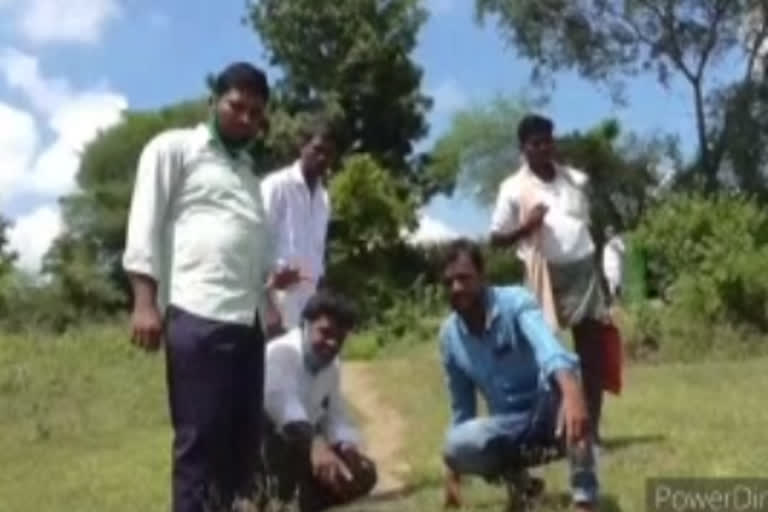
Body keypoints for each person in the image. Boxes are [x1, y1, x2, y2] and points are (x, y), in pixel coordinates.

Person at [122, 62, 288, 512]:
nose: (248, 120)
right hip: (198, 315)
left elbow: (252, 247)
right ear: (213, 101)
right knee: (199, 444)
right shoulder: (174, 149)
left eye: (257, 113)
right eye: (238, 107)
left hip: (246, 323)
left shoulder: (249, 173)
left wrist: (269, 300)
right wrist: (145, 301)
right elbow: (144, 222)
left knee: (242, 446)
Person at [438, 239, 598, 511]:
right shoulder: (450, 337)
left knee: (567, 382)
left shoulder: (515, 302)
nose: (456, 288)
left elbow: (549, 349)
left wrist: (572, 392)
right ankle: (523, 487)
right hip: (509, 428)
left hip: (549, 411)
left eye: (464, 278)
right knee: (456, 445)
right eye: (449, 281)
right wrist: (453, 474)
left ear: (483, 277)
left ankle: (584, 498)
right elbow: (462, 409)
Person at [489, 114, 609, 443]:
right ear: (523, 148)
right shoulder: (512, 188)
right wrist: (525, 228)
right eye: (535, 143)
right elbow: (495, 238)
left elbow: (586, 223)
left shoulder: (574, 179)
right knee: (549, 355)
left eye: (548, 141)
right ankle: (553, 429)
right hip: (544, 274)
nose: (543, 148)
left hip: (583, 267)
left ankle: (591, 430)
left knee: (592, 353)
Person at [263, 290, 377, 511]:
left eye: (340, 338)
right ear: (305, 325)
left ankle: (294, 500)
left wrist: (347, 447)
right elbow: (283, 410)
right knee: (289, 450)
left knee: (364, 473)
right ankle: (278, 497)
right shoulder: (280, 354)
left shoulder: (331, 366)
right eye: (325, 333)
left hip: (301, 448)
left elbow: (336, 414)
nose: (332, 343)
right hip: (267, 447)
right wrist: (314, 446)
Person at [261, 116, 335, 332]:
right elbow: (254, 243)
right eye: (317, 149)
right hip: (275, 299)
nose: (323, 158)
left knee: (301, 364)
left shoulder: (324, 199)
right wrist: (267, 299)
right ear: (301, 146)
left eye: (329, 154)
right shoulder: (276, 186)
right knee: (271, 364)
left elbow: (317, 254)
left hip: (309, 303)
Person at [602, 225, 626, 304]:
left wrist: (616, 247)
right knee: (611, 286)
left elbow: (623, 251)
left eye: (609, 232)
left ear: (612, 232)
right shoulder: (606, 245)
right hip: (609, 269)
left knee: (618, 284)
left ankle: (621, 302)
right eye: (606, 233)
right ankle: (615, 303)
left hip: (616, 267)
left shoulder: (617, 241)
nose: (607, 234)